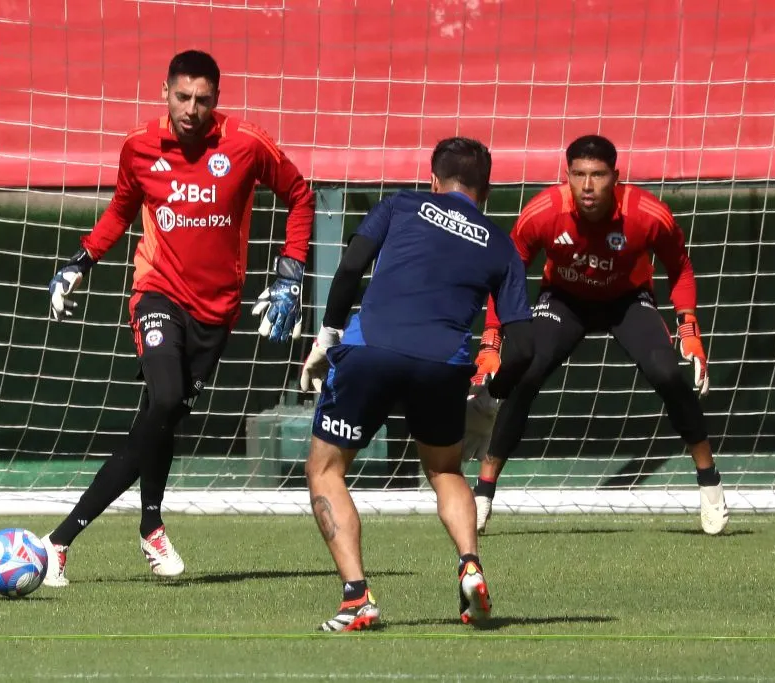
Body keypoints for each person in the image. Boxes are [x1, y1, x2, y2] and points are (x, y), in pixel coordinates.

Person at [40, 50, 315, 587]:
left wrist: (290, 274)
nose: (192, 109)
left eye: (203, 99)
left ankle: (149, 523)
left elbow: (300, 196)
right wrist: (80, 263)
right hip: (157, 292)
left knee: (159, 420)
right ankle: (58, 542)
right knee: (164, 401)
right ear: (164, 91)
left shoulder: (247, 144)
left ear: (217, 100)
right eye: (182, 96)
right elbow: (122, 209)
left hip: (217, 312)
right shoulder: (139, 147)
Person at [299, 137, 535, 632]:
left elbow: (349, 267)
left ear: (433, 180)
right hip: (443, 366)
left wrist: (327, 336)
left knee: (325, 469)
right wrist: (489, 399)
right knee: (446, 471)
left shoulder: (403, 204)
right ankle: (470, 564)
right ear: (485, 190)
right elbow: (527, 347)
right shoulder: (500, 243)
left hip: (371, 351)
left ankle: (357, 598)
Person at [467, 134, 729, 536]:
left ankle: (709, 483)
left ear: (616, 177)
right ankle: (483, 492)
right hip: (563, 301)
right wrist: (491, 340)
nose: (588, 186)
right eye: (579, 175)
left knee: (668, 375)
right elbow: (507, 272)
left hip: (627, 301)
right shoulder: (543, 212)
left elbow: (681, 268)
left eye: (598, 175)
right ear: (567, 175)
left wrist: (689, 330)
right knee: (528, 373)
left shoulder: (648, 214)